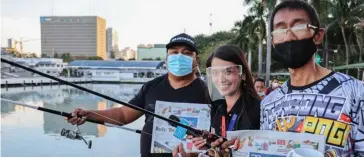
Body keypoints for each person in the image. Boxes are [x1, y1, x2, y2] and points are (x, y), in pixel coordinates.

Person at [66, 33, 211, 157]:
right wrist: (89, 114)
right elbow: (123, 115)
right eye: (174, 52)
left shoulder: (208, 91)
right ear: (167, 58)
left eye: (186, 53)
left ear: (196, 60)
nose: (180, 57)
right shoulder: (151, 87)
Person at [260, 0, 364, 157]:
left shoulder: (355, 92)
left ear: (318, 36)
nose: (288, 37)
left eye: (298, 26)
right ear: (273, 41)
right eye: (280, 30)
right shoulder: (268, 104)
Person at [172, 45, 261, 157]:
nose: (221, 79)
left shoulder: (258, 110)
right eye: (215, 72)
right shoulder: (217, 109)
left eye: (228, 72)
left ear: (243, 74)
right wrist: (201, 152)